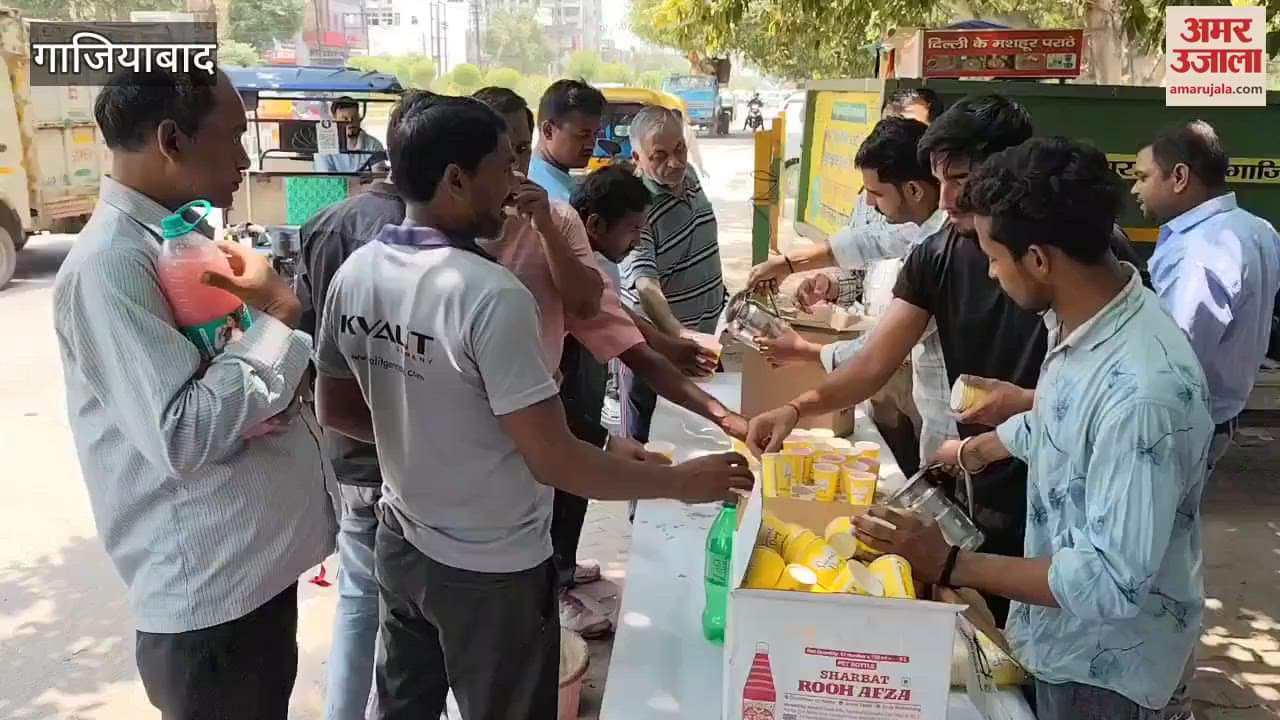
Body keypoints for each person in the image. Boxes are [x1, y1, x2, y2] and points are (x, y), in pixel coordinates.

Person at [313, 94, 753, 719]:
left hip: (403, 541)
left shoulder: (357, 273)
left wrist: (437, 442)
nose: (515, 183)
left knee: (403, 707)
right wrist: (679, 481)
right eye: (503, 167)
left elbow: (340, 411)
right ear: (457, 179)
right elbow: (554, 462)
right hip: (492, 567)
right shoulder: (490, 295)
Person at [858, 137, 1212, 720]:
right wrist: (980, 447)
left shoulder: (1145, 392)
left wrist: (949, 564)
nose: (993, 275)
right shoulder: (1088, 317)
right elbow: (1069, 419)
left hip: (1107, 671)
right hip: (1056, 639)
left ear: (1040, 259)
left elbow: (1109, 582)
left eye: (995, 259)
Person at [53, 67, 336, 719]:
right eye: (235, 137)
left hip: (248, 579)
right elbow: (181, 432)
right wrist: (279, 321)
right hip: (210, 604)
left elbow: (228, 373)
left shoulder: (183, 239)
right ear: (172, 140)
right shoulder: (111, 266)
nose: (245, 159)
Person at [747, 95, 1047, 626]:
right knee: (994, 629)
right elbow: (871, 365)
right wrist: (793, 411)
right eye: (941, 180)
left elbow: (1111, 391)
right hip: (974, 471)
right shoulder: (937, 252)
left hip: (1061, 481)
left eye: (960, 179)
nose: (947, 199)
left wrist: (1029, 405)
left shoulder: (1078, 250)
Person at [474, 87, 744, 637]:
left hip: (535, 437)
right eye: (504, 157)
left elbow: (601, 318)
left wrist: (722, 417)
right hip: (468, 477)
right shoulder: (437, 248)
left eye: (520, 154)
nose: (516, 170)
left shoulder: (555, 219)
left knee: (529, 581)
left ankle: (554, 593)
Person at [296, 89, 438, 720]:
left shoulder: (324, 220)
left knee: (358, 599)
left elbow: (305, 330)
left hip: (346, 445)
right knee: (417, 610)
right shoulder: (422, 235)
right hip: (408, 450)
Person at [749, 116, 949, 473]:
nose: (870, 205)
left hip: (952, 424)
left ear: (916, 190)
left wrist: (805, 356)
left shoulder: (939, 250)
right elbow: (872, 240)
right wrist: (788, 264)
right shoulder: (926, 227)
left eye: (876, 194)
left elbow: (875, 356)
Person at [1132, 120, 1280, 466]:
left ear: (1179, 177)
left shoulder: (1199, 254)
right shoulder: (1257, 229)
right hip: (1219, 415)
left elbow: (1173, 357)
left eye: (1142, 177)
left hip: (1177, 425)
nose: (1134, 190)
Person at [618, 105, 728, 444]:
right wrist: (678, 334)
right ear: (637, 157)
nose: (675, 162)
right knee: (651, 442)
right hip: (662, 351)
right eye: (660, 155)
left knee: (702, 437)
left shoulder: (689, 175)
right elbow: (645, 285)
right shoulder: (636, 208)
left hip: (704, 342)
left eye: (679, 149)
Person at [528, 79, 606, 203]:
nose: (592, 144)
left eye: (595, 134)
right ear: (548, 131)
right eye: (583, 135)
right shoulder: (549, 199)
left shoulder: (554, 182)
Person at [314, 96, 386, 174]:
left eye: (354, 118)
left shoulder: (374, 145)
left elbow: (378, 178)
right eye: (344, 119)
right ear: (334, 120)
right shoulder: (324, 146)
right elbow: (327, 180)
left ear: (359, 118)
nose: (350, 122)